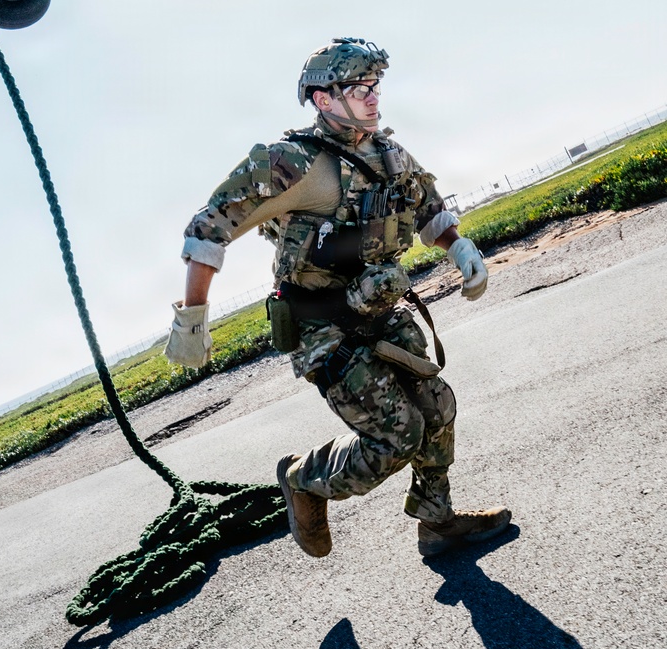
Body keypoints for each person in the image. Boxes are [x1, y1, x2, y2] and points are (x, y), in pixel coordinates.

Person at [166, 38, 511, 559]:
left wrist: (459, 246)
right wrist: (192, 320)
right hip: (321, 327)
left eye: (376, 86)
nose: (374, 98)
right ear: (324, 100)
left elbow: (428, 211)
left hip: (378, 311)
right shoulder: (289, 162)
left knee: (437, 408)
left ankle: (437, 522)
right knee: (396, 437)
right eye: (359, 88)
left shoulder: (390, 154)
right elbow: (208, 229)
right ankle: (305, 480)